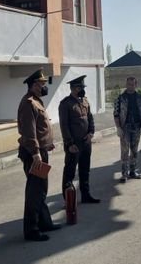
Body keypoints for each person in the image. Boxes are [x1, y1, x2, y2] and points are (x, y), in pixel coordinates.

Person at [17, 68, 61, 242]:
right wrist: (36, 153)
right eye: (41, 83)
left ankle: (44, 223)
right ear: (33, 85)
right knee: (34, 192)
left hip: (40, 151)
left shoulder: (36, 101)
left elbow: (40, 128)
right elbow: (29, 132)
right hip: (33, 154)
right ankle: (32, 230)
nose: (44, 86)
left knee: (41, 190)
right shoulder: (28, 103)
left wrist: (46, 144)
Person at [59, 75, 100, 204]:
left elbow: (90, 118)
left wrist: (91, 132)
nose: (82, 89)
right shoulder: (66, 104)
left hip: (86, 142)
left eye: (82, 87)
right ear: (73, 88)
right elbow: (64, 125)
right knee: (70, 172)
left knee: (85, 170)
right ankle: (68, 201)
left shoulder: (85, 101)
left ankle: (86, 195)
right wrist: (69, 143)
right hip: (74, 143)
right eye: (79, 87)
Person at [114, 76, 141, 182]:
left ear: (135, 85)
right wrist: (118, 128)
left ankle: (132, 172)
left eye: (132, 84)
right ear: (126, 84)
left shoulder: (139, 97)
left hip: (137, 127)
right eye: (129, 84)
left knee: (134, 151)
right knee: (125, 151)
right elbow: (116, 114)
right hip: (125, 128)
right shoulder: (121, 98)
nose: (130, 86)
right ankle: (124, 174)